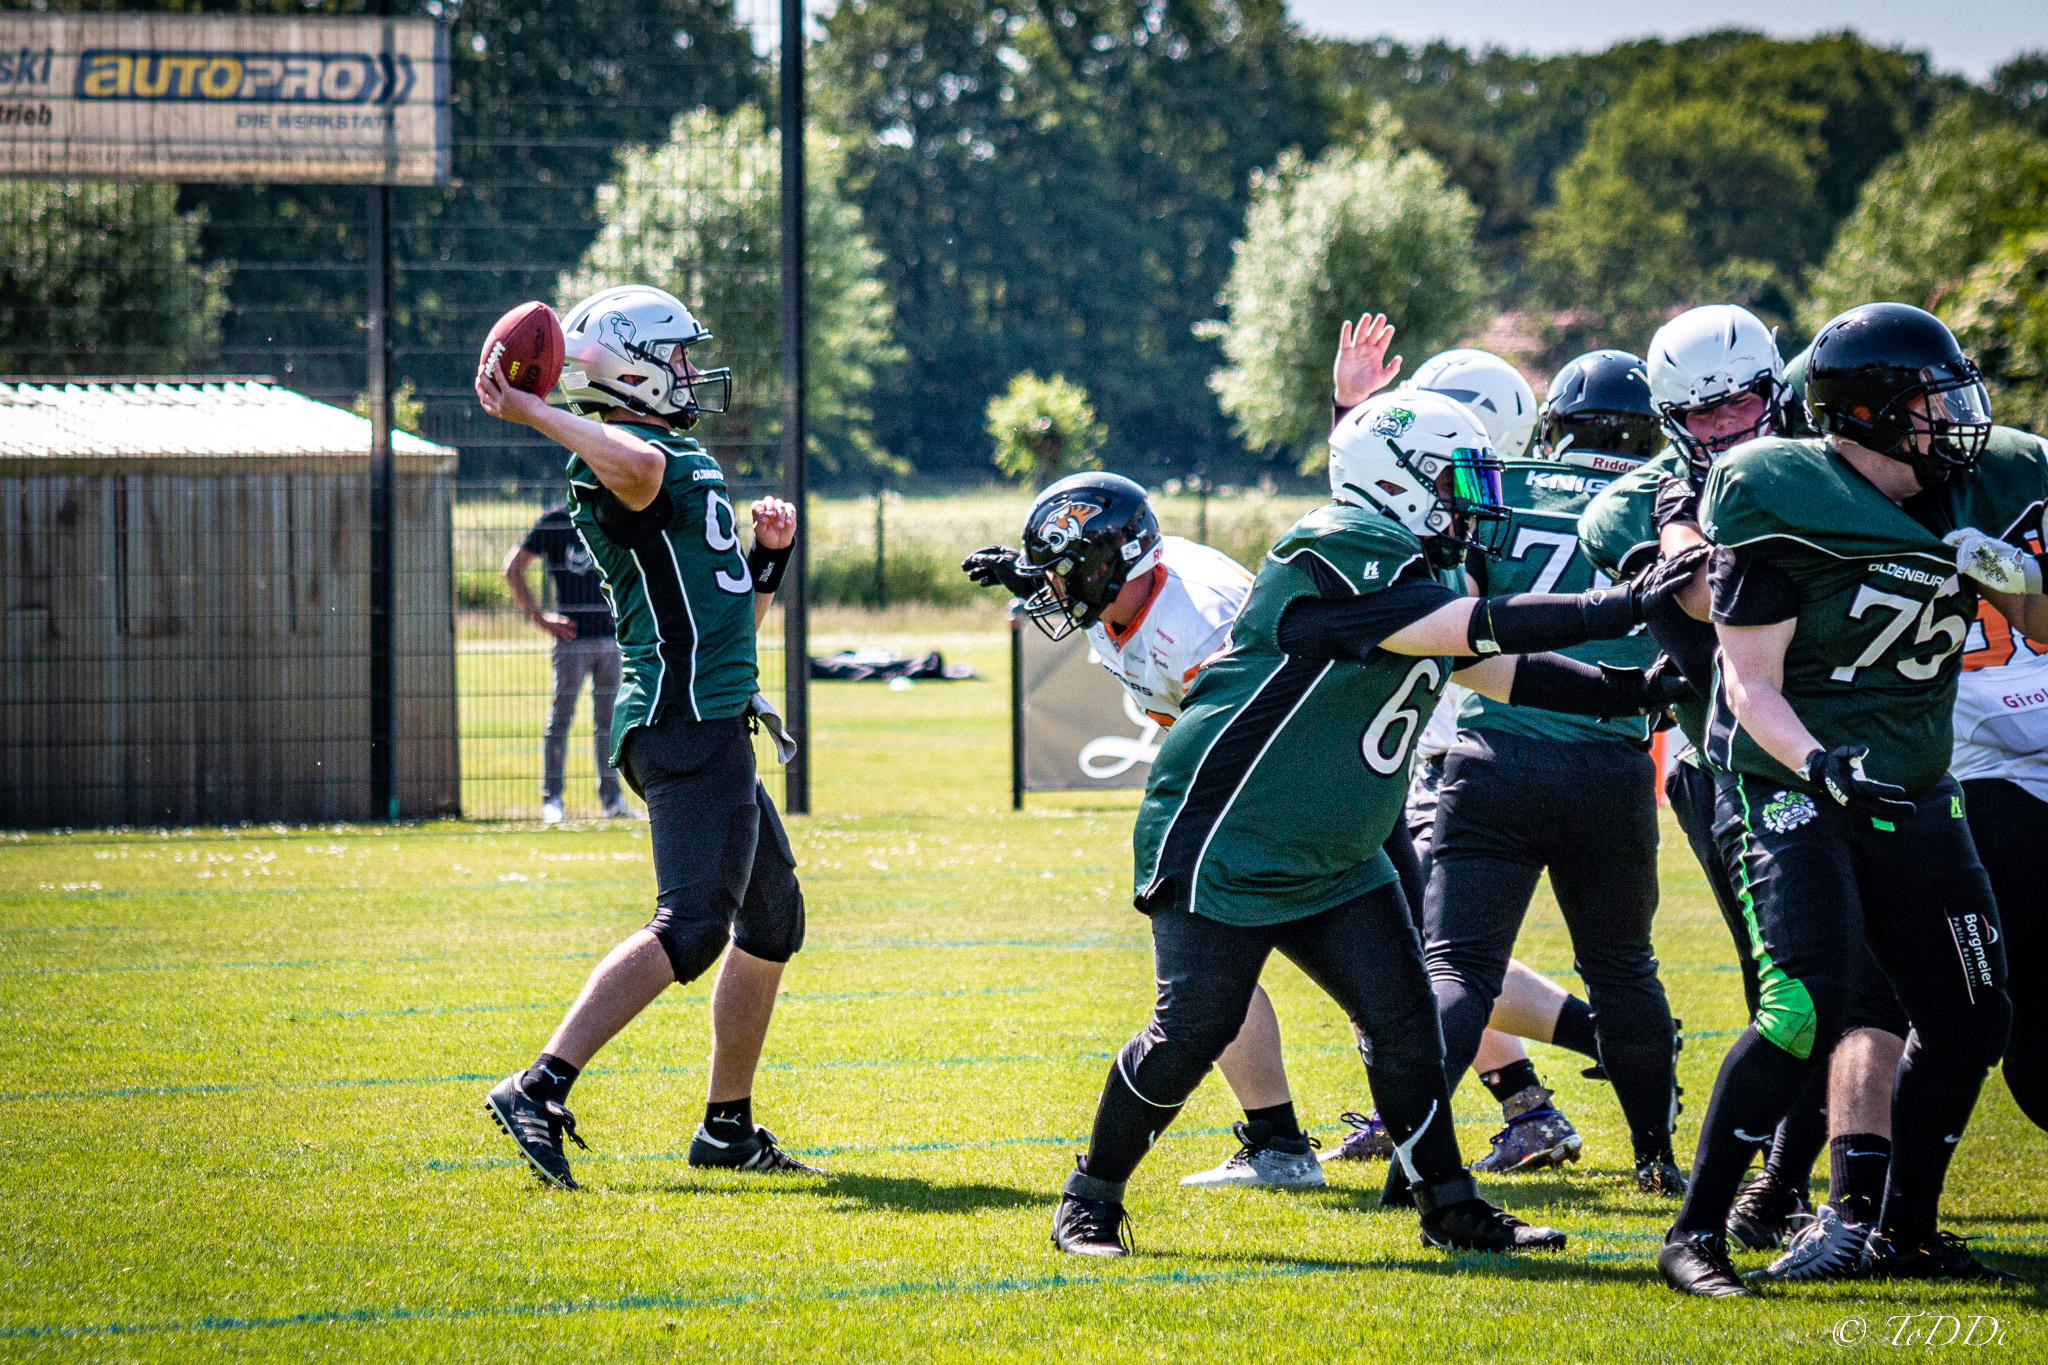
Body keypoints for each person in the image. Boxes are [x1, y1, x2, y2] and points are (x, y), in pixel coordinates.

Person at [1048, 387, 1701, 1257]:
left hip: (1338, 847)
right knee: (1193, 1029)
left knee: (1408, 1026)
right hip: (1228, 835)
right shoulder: (1334, 548)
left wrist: (1633, 688)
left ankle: (1450, 1207)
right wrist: (1619, 606)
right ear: (1396, 480)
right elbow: (1479, 625)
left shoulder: (1416, 567)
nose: (1473, 498)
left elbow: (1498, 670)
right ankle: (1088, 1200)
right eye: (1454, 477)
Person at [1657, 303, 2047, 1295]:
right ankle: (1694, 1234)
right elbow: (1747, 683)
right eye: (1929, 403)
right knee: (1802, 1008)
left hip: (1916, 787)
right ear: (1866, 412)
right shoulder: (1777, 495)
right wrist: (1818, 762)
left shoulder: (1972, 489)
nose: (1952, 420)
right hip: (1791, 785)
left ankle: (1901, 1232)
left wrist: (2017, 579)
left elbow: (2039, 623)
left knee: (1972, 1017)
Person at [472, 284, 815, 1189]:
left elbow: (732, 623)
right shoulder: (620, 465)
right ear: (631, 370)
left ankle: (726, 1127)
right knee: (692, 926)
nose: (691, 372)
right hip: (682, 724)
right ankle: (538, 1084)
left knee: (772, 917)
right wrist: (535, 409)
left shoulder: (670, 457)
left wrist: (768, 561)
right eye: (677, 357)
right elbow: (630, 461)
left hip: (708, 716)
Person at [964, 474, 1335, 1189]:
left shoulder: (1200, 619)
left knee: (1412, 970)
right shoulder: (1125, 587)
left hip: (1289, 781)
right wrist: (1037, 572)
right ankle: (1282, 1142)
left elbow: (1268, 722)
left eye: (1062, 573)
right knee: (1213, 972)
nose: (1050, 590)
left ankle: (1497, 1103)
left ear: (1107, 567)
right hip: (1240, 788)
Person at [1321, 331, 1608, 1173]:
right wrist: (1349, 411)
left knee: (1431, 954)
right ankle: (1521, 1099)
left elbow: (1379, 523)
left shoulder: (1463, 529)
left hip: (1449, 754)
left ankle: (1598, 1047)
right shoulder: (1465, 509)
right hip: (1438, 749)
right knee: (1419, 951)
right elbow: (1366, 495)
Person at [1411, 348, 1687, 1196]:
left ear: (1553, 426)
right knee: (1624, 968)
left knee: (1458, 969)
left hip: (1494, 756)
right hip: (1611, 762)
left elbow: (1453, 618)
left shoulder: (1496, 483)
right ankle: (1655, 1159)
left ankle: (1417, 1162)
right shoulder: (1672, 498)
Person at [504, 503, 630, 823]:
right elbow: (513, 568)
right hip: (570, 639)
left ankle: (612, 799)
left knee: (610, 723)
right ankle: (552, 799)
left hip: (611, 638)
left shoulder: (615, 513)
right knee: (560, 720)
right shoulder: (556, 520)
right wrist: (539, 617)